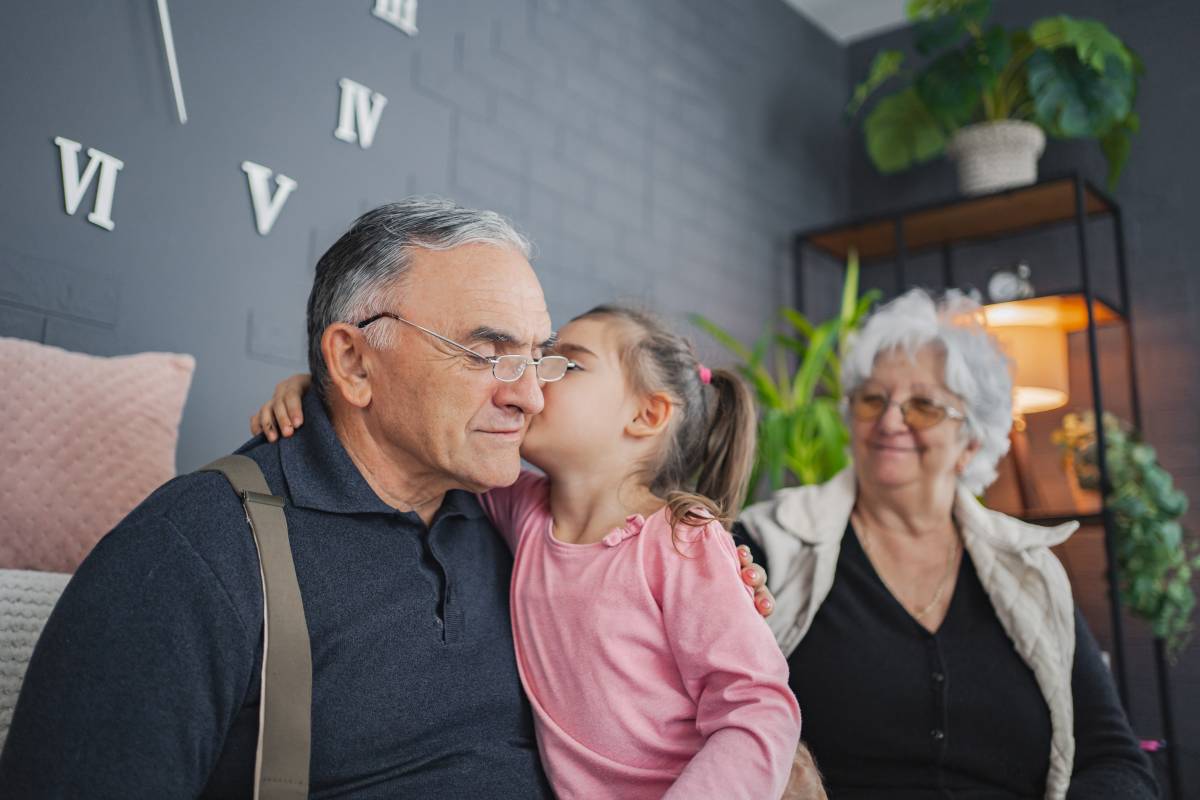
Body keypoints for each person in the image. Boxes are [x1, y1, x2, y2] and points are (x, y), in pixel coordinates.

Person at [0, 198, 774, 797]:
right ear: (354, 362)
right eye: (487, 353)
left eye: (539, 359)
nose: (532, 398)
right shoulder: (189, 557)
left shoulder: (511, 518)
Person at [250, 305, 802, 798]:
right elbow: (426, 444)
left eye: (568, 363)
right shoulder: (525, 511)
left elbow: (758, 709)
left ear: (647, 415)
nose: (534, 378)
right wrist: (329, 392)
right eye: (543, 359)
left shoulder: (683, 539)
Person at [732, 290, 1158, 800]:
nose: (890, 422)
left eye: (923, 407)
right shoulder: (770, 541)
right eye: (873, 399)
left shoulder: (1029, 568)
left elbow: (1113, 758)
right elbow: (697, 708)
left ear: (971, 442)